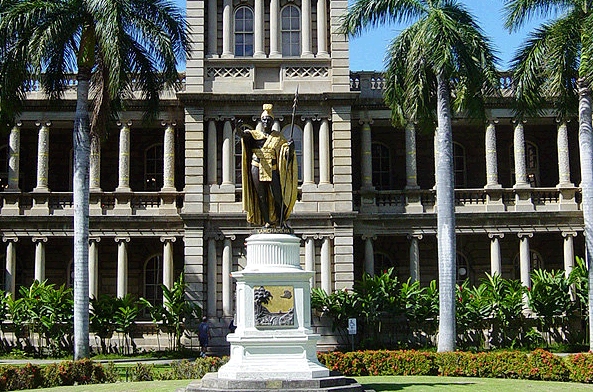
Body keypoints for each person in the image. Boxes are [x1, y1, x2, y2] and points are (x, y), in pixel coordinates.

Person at [239, 103, 298, 228]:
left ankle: (281, 220)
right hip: (257, 166)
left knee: (277, 195)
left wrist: (291, 148)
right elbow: (244, 135)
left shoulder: (278, 137)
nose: (266, 122)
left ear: (272, 122)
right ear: (261, 121)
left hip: (273, 168)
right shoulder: (254, 135)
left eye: (269, 120)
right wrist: (237, 128)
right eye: (264, 120)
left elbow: (285, 154)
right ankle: (267, 221)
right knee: (261, 196)